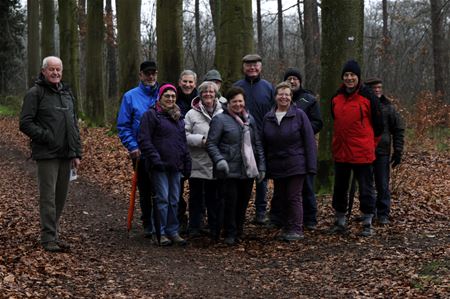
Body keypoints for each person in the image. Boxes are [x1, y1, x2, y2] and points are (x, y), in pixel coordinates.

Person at [19, 56, 82, 252]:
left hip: (66, 154)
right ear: (43, 71)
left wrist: (76, 152)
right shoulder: (35, 93)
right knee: (48, 196)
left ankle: (53, 233)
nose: (55, 73)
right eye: (52, 70)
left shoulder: (67, 93)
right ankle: (48, 238)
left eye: (58, 70)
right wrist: (47, 136)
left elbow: (73, 125)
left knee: (60, 197)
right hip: (47, 154)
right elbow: (25, 123)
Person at [330, 60, 383, 237]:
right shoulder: (336, 98)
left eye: (352, 75)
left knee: (366, 188)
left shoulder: (369, 98)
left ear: (358, 77)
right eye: (346, 75)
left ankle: (367, 221)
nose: (349, 78)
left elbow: (379, 126)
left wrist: (369, 145)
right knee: (340, 187)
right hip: (341, 151)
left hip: (362, 152)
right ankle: (340, 220)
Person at [206, 86, 266, 245]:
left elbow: (257, 144)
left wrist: (261, 167)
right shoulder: (220, 120)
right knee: (230, 203)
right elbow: (211, 144)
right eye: (234, 101)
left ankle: (239, 230)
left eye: (240, 101)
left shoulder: (250, 120)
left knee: (243, 202)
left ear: (244, 102)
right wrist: (219, 160)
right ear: (228, 103)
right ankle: (229, 232)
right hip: (228, 170)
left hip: (247, 169)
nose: (238, 104)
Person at [262, 82, 317, 241]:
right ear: (275, 97)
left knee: (294, 196)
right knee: (282, 196)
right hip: (277, 165)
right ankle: (287, 226)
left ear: (291, 97)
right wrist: (264, 166)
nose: (283, 97)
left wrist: (311, 167)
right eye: (281, 94)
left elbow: (309, 142)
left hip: (296, 163)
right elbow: (264, 143)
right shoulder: (269, 117)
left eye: (287, 94)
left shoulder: (299, 115)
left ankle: (296, 228)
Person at [138, 84, 191, 246]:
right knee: (162, 199)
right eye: (167, 96)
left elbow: (183, 142)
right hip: (159, 166)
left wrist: (187, 162)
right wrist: (155, 159)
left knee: (174, 199)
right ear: (160, 97)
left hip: (176, 166)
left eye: (173, 96)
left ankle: (172, 230)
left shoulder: (178, 117)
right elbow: (144, 140)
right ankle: (158, 232)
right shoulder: (152, 115)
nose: (170, 99)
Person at [117, 60, 159, 237]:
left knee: (162, 187)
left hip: (161, 151)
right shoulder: (130, 96)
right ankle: (148, 222)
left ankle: (162, 221)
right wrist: (133, 146)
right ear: (141, 75)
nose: (150, 77)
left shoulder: (164, 94)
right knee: (145, 187)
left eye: (153, 73)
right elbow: (123, 125)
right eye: (147, 73)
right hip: (140, 152)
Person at [233, 54, 274, 225]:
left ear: (260, 67)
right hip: (241, 139)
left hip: (263, 139)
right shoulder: (237, 87)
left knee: (262, 177)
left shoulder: (268, 88)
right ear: (243, 68)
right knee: (242, 175)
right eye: (248, 65)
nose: (252, 68)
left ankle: (260, 211)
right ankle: (238, 210)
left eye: (255, 65)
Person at [280, 67, 323, 230]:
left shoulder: (309, 99)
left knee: (307, 185)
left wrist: (301, 130)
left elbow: (318, 122)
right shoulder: (280, 99)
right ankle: (285, 217)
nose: (292, 81)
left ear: (300, 81)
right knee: (286, 188)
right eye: (289, 78)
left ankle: (310, 218)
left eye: (295, 79)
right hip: (284, 151)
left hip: (305, 148)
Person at [184, 81, 223, 239]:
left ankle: (214, 227)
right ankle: (194, 227)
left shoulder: (223, 111)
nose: (208, 94)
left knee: (215, 198)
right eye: (205, 92)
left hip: (217, 162)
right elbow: (184, 135)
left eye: (211, 92)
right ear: (200, 94)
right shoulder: (191, 114)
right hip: (198, 162)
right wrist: (201, 140)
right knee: (196, 197)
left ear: (215, 94)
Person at [365, 77, 405, 225]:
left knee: (382, 184)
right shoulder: (363, 106)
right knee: (366, 184)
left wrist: (398, 151)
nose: (377, 90)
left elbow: (398, 129)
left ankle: (383, 214)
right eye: (374, 88)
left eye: (379, 87)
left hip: (382, 151)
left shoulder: (389, 107)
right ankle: (369, 212)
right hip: (364, 151)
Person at [176, 70, 199, 232]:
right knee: (176, 187)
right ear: (179, 82)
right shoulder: (171, 98)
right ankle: (179, 218)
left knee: (197, 188)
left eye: (190, 82)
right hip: (176, 150)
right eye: (185, 81)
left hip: (197, 152)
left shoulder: (201, 100)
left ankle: (196, 222)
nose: (187, 84)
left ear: (195, 84)